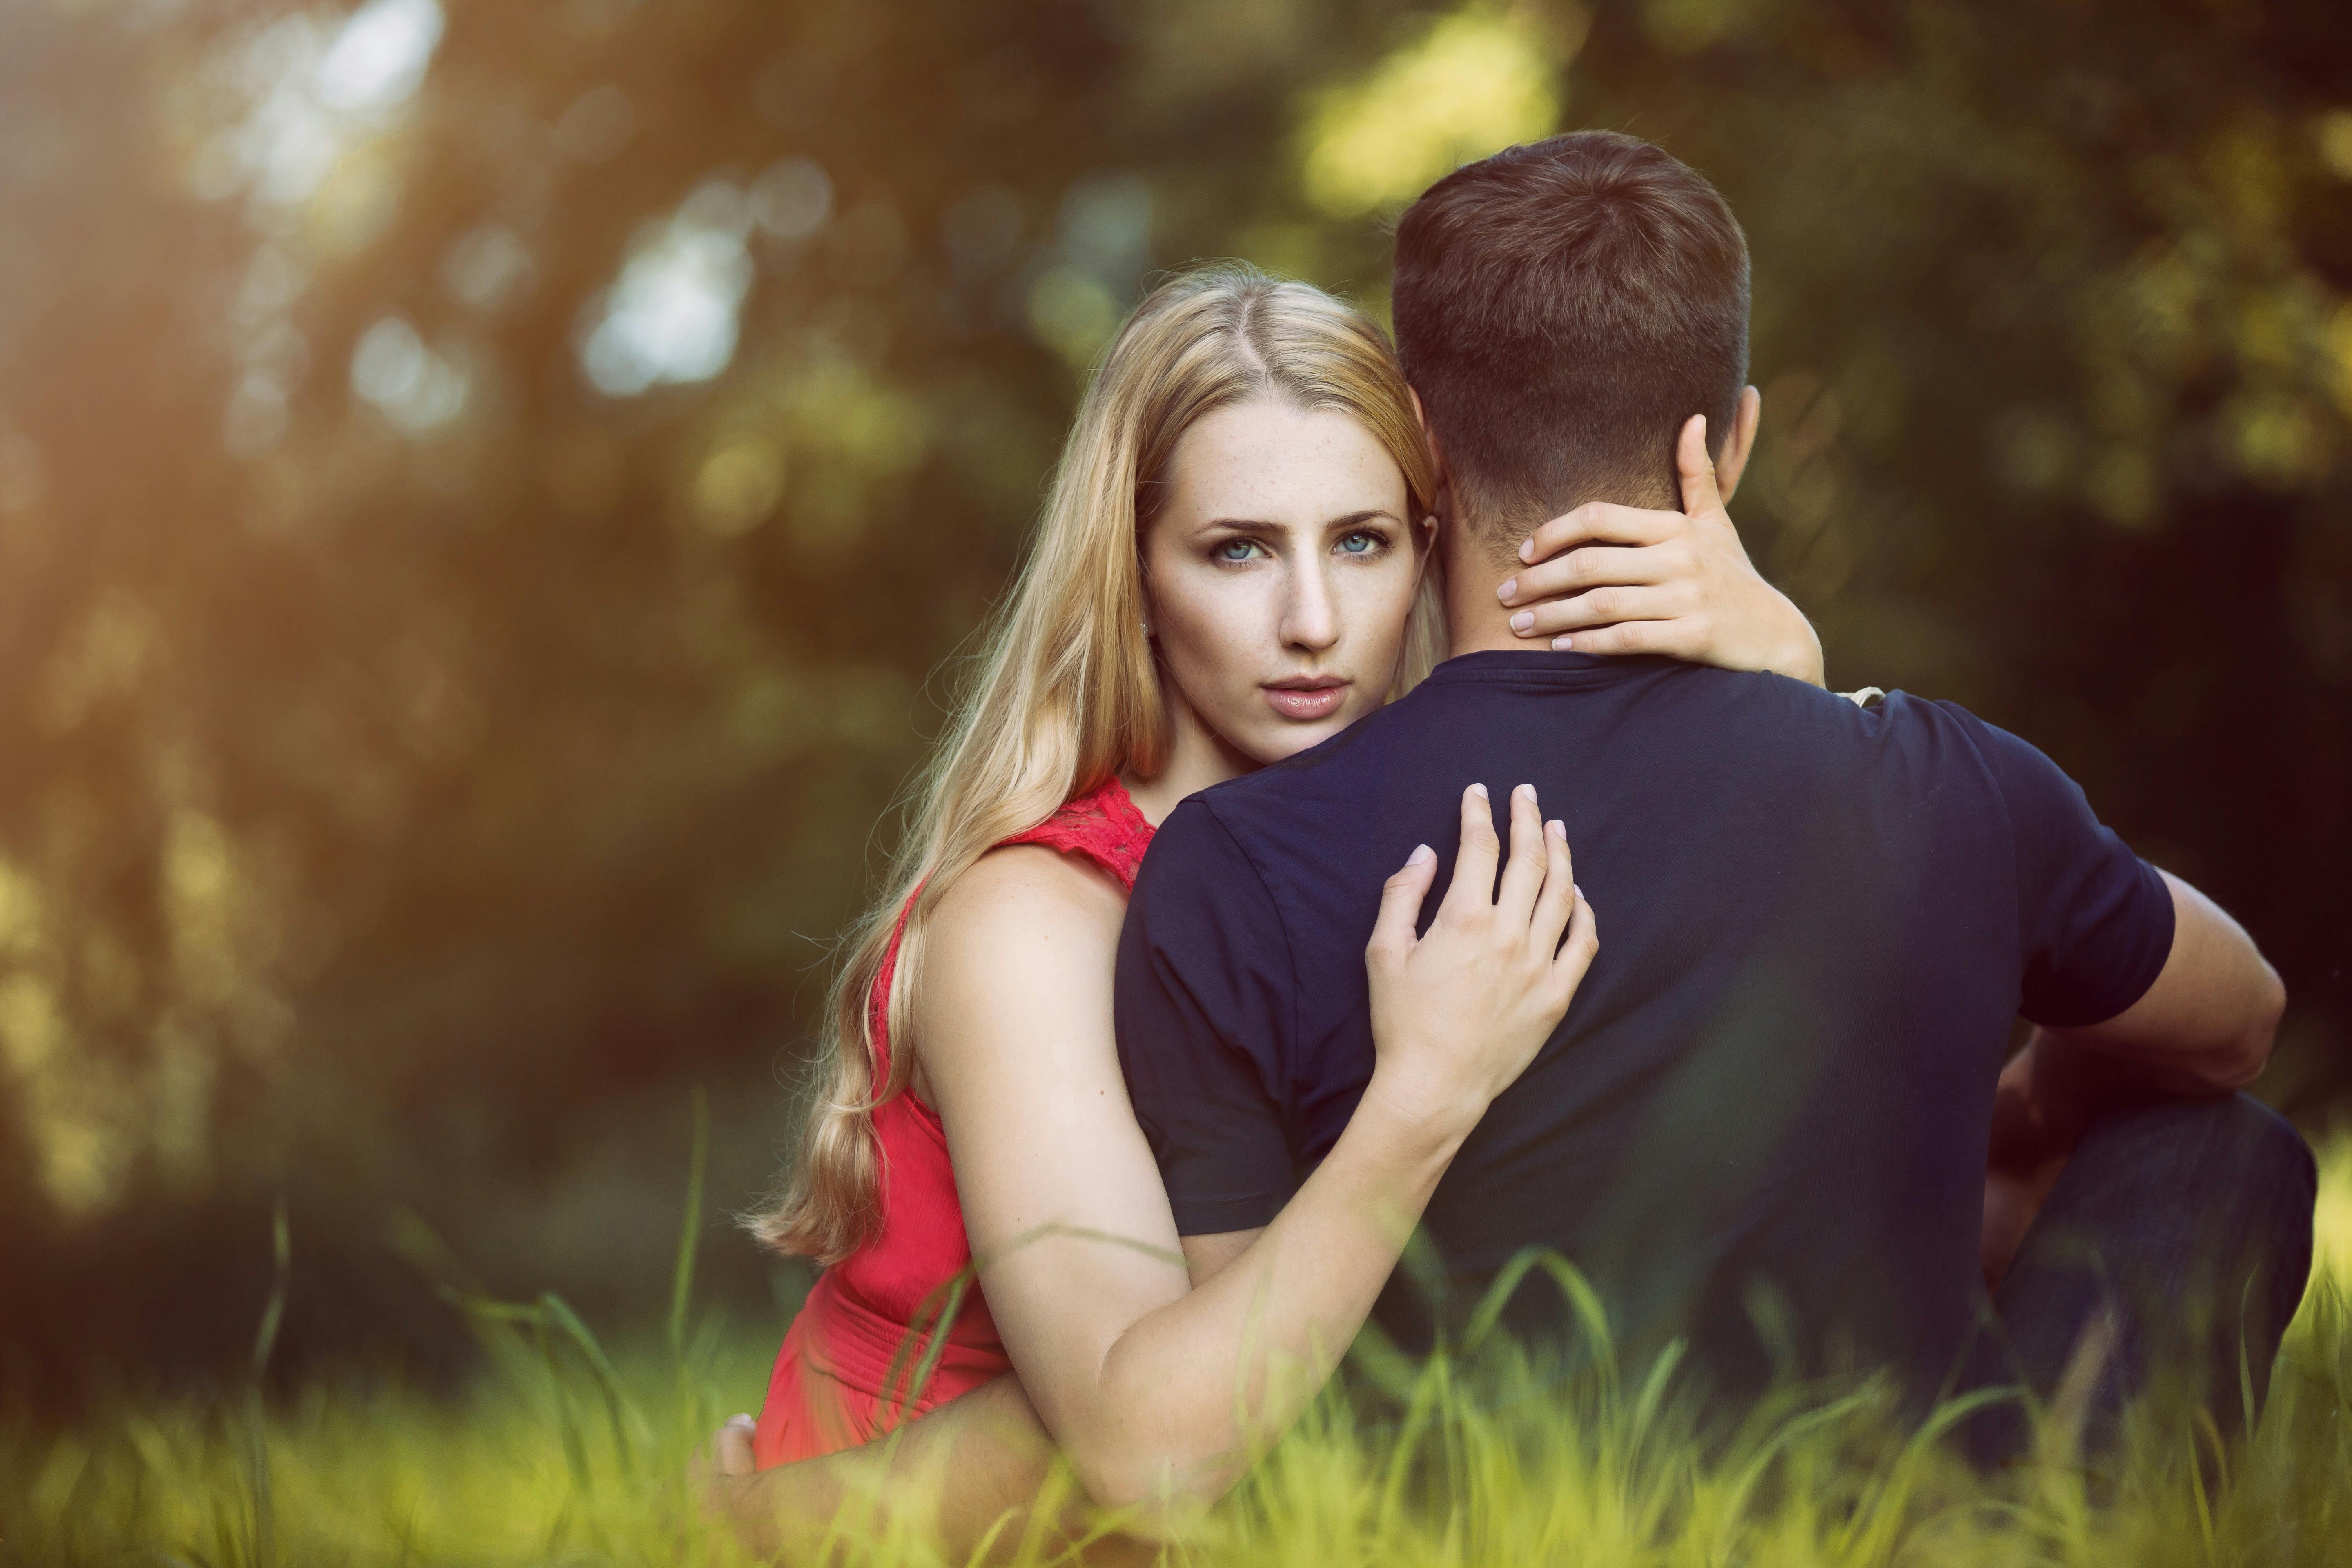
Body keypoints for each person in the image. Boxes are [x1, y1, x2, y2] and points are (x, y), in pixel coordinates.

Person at [1114, 131, 2313, 1468]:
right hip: (1922, 1529)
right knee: (2221, 1145)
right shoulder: (1943, 782)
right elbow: (2237, 1017)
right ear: (1729, 446)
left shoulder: (1228, 864)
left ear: (1420, 444)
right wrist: (2034, 1096)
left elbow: (1237, 1443)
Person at [705, 263, 1829, 1552]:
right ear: (1134, 573)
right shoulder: (1034, 925)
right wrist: (766, 1533)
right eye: (1237, 550)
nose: (1311, 623)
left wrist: (1787, 688)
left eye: (1361, 541)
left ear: (1430, 543)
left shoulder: (1436, 845)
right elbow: (1136, 1450)